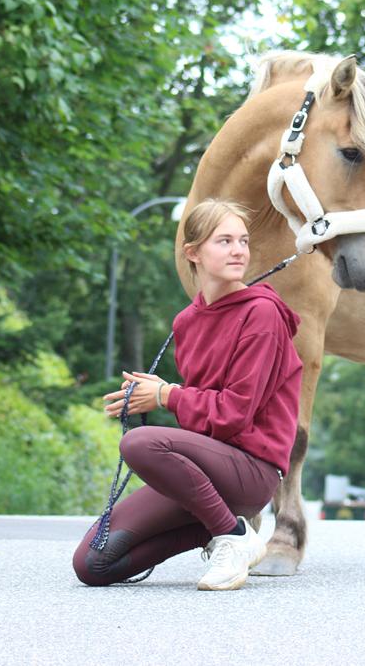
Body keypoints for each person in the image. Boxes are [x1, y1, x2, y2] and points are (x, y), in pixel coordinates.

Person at [72, 199, 302, 591]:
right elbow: (196, 418)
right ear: (192, 252)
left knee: (140, 443)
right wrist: (155, 394)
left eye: (243, 241)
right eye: (224, 240)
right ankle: (225, 531)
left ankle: (231, 536)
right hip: (207, 474)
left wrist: (166, 395)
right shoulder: (187, 322)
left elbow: (234, 414)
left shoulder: (261, 314)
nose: (238, 251)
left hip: (252, 471)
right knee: (93, 563)